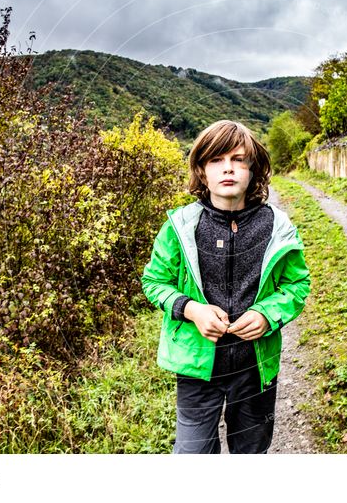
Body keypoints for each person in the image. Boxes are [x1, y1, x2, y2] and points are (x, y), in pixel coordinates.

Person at [141, 120, 311, 454]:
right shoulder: (179, 226)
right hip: (196, 368)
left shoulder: (277, 226)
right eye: (216, 160)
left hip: (255, 369)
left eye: (238, 159)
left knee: (251, 453)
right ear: (202, 171)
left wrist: (267, 315)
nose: (228, 168)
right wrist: (192, 310)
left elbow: (297, 284)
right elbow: (154, 282)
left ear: (253, 169)